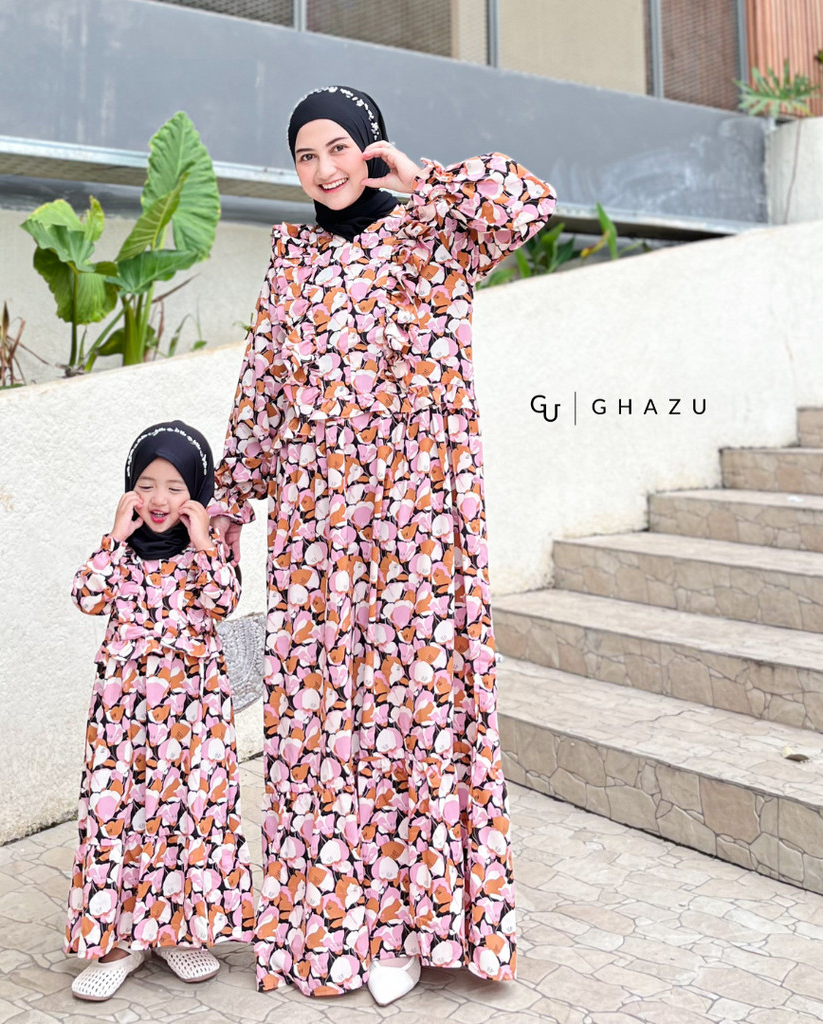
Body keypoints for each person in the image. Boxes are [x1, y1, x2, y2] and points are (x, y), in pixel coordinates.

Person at [210, 86, 556, 1004]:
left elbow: (529, 203)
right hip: (316, 530)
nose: (324, 169)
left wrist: (420, 178)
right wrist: (232, 500)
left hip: (417, 526)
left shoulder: (432, 233)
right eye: (305, 155)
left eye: (340, 148)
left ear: (370, 147)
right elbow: (262, 392)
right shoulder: (290, 264)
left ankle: (409, 926)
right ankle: (337, 920)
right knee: (321, 720)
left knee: (411, 712)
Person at [65, 420, 254, 1000]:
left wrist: (204, 541)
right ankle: (116, 944)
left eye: (175, 487)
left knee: (184, 814)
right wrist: (113, 536)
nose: (159, 499)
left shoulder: (204, 558)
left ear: (196, 492)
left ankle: (175, 932)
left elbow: (225, 600)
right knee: (117, 814)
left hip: (193, 719)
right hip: (123, 721)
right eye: (146, 485)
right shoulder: (120, 557)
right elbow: (85, 596)